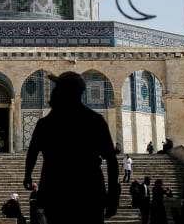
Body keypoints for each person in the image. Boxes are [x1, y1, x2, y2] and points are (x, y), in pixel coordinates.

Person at [23, 71, 120, 224]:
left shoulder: (47, 124)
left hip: (56, 191)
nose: (54, 92)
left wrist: (28, 175)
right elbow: (111, 160)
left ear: (65, 91)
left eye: (58, 88)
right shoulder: (94, 121)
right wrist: (113, 194)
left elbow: (32, 152)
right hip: (90, 191)